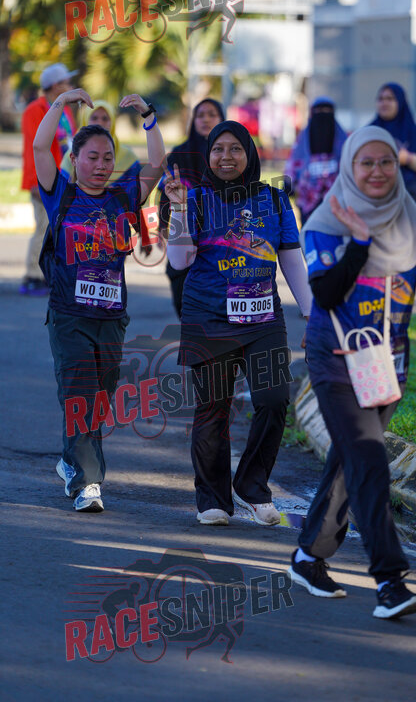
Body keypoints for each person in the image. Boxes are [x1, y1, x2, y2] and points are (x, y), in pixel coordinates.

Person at [288, 125, 416, 618]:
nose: (377, 172)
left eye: (386, 162)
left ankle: (308, 557)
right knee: (370, 463)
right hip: (337, 362)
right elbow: (326, 294)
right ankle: (390, 581)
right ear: (350, 167)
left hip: (387, 366)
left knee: (351, 462)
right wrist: (360, 241)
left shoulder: (410, 220)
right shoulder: (325, 223)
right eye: (366, 163)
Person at [165, 120, 312, 526]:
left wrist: (311, 312)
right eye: (218, 149)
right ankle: (212, 498)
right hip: (208, 317)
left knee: (274, 399)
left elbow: (292, 260)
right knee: (213, 408)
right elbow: (179, 260)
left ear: (250, 154)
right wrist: (178, 210)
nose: (225, 157)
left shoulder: (275, 199)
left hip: (263, 317)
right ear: (208, 155)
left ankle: (251, 484)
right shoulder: (194, 199)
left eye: (235, 149)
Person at [33, 87, 166, 512]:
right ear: (75, 160)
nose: (101, 165)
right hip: (69, 317)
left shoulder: (122, 197)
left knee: (99, 402)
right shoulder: (61, 194)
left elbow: (157, 163)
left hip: (111, 319)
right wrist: (60, 103)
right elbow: (39, 147)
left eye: (107, 158)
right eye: (92, 157)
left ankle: (71, 462)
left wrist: (149, 117)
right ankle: (88, 483)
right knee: (78, 395)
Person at [158, 98, 224, 317]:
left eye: (212, 114)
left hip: (219, 238)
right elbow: (165, 193)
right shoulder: (179, 154)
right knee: (182, 295)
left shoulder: (229, 156)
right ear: (193, 120)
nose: (206, 119)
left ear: (222, 119)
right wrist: (161, 227)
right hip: (183, 231)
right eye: (200, 115)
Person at [20, 63, 77, 295]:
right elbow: (33, 148)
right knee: (43, 226)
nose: (70, 85)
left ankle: (49, 274)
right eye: (66, 82)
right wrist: (34, 181)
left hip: (63, 179)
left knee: (56, 228)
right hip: (42, 181)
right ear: (55, 85)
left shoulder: (66, 111)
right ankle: (32, 275)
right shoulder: (35, 110)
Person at [370, 82, 416, 204]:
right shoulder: (369, 132)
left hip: (407, 194)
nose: (384, 103)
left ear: (400, 101)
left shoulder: (414, 133)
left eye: (390, 99)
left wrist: (408, 158)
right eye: (380, 99)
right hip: (375, 194)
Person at [284, 96, 347, 225]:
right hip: (307, 198)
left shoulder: (342, 141)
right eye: (319, 111)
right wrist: (288, 184)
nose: (323, 115)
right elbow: (294, 162)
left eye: (327, 111)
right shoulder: (302, 141)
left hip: (336, 199)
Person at [60, 99, 141, 183]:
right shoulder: (72, 156)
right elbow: (62, 188)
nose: (100, 123)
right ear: (85, 120)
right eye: (94, 118)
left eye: (105, 119)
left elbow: (137, 189)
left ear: (113, 122)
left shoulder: (129, 158)